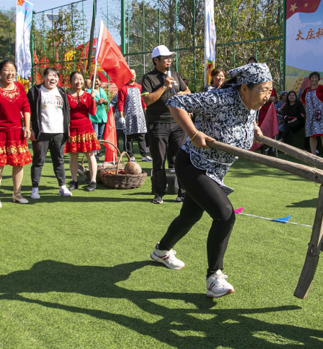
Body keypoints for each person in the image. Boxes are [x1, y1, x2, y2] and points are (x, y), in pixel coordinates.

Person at [149, 62, 273, 298]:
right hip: (193, 164)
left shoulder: (253, 103)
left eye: (270, 90)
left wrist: (253, 127)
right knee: (225, 214)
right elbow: (175, 102)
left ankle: (161, 250)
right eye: (263, 90)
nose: (267, 96)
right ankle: (214, 277)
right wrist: (194, 134)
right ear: (244, 88)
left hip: (216, 170)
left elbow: (241, 120)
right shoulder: (220, 98)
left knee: (190, 215)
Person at [141, 45, 191, 204]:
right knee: (159, 159)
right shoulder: (148, 78)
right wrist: (163, 86)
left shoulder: (176, 75)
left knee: (180, 159)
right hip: (157, 123)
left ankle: (182, 193)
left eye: (170, 57)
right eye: (166, 57)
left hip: (177, 122)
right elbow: (147, 100)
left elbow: (188, 91)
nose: (170, 60)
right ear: (156, 60)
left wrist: (182, 94)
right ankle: (159, 193)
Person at [0, 60, 32, 207]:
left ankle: (17, 193)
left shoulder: (20, 87)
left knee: (19, 163)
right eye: (6, 70)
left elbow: (26, 107)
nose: (10, 73)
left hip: (17, 133)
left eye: (12, 70)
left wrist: (27, 127)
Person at [27, 67, 71, 199]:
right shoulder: (35, 91)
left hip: (59, 133)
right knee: (38, 161)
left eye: (56, 76)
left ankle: (62, 186)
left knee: (59, 160)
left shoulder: (62, 92)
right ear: (44, 77)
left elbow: (66, 112)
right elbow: (27, 111)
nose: (53, 79)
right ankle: (35, 189)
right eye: (50, 76)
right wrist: (30, 129)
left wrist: (67, 131)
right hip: (41, 133)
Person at [65, 71, 100, 192]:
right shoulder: (66, 95)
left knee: (90, 154)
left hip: (86, 127)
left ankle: (93, 180)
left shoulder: (88, 95)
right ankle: (74, 181)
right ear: (71, 81)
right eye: (75, 79)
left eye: (80, 79)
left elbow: (93, 112)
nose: (78, 81)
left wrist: (93, 99)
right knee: (73, 156)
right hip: (72, 128)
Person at [115, 69, 149, 161]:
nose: (133, 76)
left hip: (139, 115)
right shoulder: (123, 88)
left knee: (141, 135)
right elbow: (120, 103)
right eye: (131, 74)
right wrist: (121, 116)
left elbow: (143, 101)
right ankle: (130, 155)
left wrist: (146, 112)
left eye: (134, 74)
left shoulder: (140, 87)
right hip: (128, 116)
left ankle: (144, 155)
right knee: (129, 136)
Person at [300, 71, 323, 157]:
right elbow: (302, 96)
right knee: (312, 135)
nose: (314, 79)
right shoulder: (307, 90)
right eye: (312, 77)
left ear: (318, 79)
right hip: (309, 115)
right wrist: (305, 104)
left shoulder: (321, 88)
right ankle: (313, 155)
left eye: (316, 77)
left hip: (319, 114)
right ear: (309, 79)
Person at [87, 76, 110, 155]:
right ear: (91, 82)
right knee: (95, 135)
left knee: (100, 135)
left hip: (102, 116)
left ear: (100, 82)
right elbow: (88, 102)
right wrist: (96, 101)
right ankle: (94, 152)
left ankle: (97, 150)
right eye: (94, 81)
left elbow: (107, 101)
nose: (96, 82)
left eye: (97, 81)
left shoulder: (102, 91)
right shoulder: (89, 91)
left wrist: (104, 101)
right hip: (94, 116)